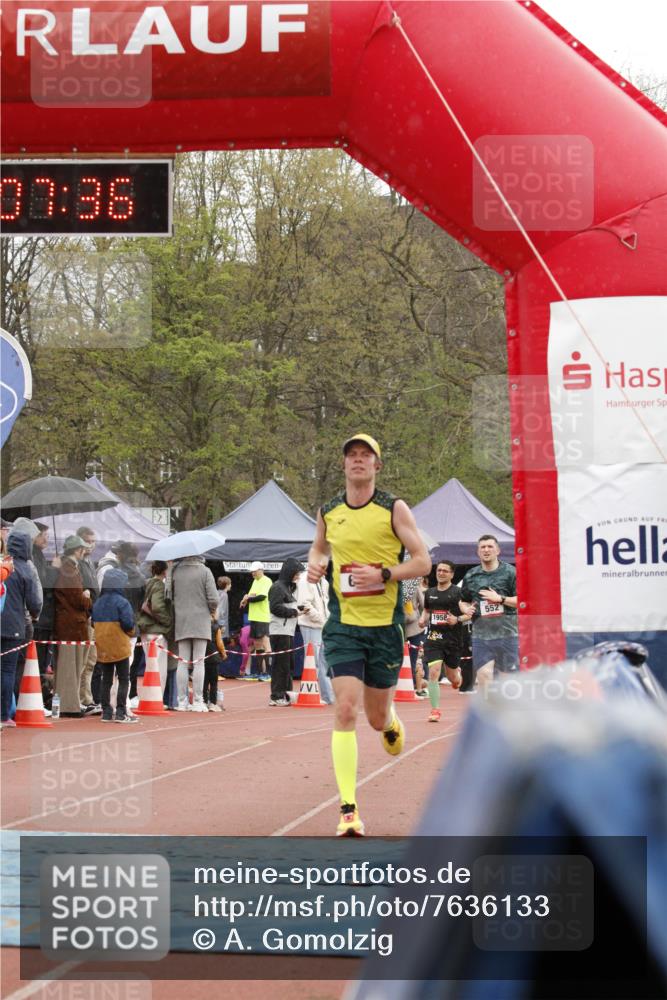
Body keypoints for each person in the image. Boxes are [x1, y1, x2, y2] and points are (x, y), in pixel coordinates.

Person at [307, 433, 431, 836]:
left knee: (376, 720)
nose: (358, 460)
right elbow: (319, 548)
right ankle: (349, 810)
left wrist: (385, 574)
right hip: (344, 626)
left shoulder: (393, 508)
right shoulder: (329, 511)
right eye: (352, 455)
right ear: (343, 464)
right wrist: (316, 564)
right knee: (345, 708)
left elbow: (423, 562)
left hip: (385, 628)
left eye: (366, 455)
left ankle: (390, 718)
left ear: (377, 465)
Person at [459, 535, 519, 687]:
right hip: (481, 635)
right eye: (483, 547)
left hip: (507, 633)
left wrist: (500, 599)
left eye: (490, 546)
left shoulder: (511, 572)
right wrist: (466, 609)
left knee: (508, 680)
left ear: (498, 550)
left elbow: (523, 601)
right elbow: (463, 600)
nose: (486, 550)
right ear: (478, 552)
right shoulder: (471, 575)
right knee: (484, 675)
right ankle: (487, 703)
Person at [419, 560, 470, 721]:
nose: (441, 573)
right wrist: (422, 619)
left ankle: (457, 675)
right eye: (439, 570)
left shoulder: (458, 593)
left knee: (454, 679)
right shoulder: (430, 592)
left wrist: (457, 619)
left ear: (452, 574)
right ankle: (435, 710)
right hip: (434, 638)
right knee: (434, 672)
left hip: (453, 640)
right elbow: (427, 610)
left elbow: (469, 614)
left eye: (445, 571)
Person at [0, 531, 42, 728]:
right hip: (14, 626)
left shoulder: (3, 564)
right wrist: (35, 615)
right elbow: (34, 601)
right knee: (7, 670)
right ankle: (3, 715)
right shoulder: (25, 569)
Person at [170, 554, 218, 711]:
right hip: (201, 620)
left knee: (182, 662)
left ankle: (182, 701)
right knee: (199, 662)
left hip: (181, 620)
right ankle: (198, 700)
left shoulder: (175, 571)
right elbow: (214, 599)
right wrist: (211, 610)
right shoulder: (205, 571)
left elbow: (168, 596)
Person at [92, 568, 138, 723]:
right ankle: (120, 712)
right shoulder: (122, 602)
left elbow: (92, 622)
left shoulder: (98, 602)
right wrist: (131, 632)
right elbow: (128, 623)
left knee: (106, 679)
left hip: (103, 646)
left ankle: (106, 712)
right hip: (120, 645)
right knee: (124, 678)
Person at [53, 536, 92, 717]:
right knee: (70, 668)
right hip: (71, 626)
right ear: (77, 550)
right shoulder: (69, 570)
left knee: (71, 668)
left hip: (71, 625)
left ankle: (70, 704)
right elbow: (77, 599)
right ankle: (69, 706)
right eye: (83, 548)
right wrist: (87, 597)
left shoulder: (68, 568)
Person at [268, 558, 304, 706]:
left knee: (288, 665)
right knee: (280, 665)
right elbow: (275, 608)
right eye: (297, 573)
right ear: (290, 572)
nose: (298, 576)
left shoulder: (289, 587)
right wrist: (294, 612)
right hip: (279, 631)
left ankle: (286, 694)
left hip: (288, 631)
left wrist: (299, 610)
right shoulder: (277, 587)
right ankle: (276, 696)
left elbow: (287, 607)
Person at [297, 573, 335, 705]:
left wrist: (327, 620)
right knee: (313, 662)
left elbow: (327, 602)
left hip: (323, 625)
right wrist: (319, 618)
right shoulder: (305, 580)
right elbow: (303, 604)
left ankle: (328, 696)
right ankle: (311, 695)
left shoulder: (324, 581)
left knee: (324, 661)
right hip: (310, 625)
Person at [136, 561, 172, 696]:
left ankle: (148, 696)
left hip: (145, 628)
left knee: (150, 665)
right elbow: (157, 607)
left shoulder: (147, 583)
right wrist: (167, 621)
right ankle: (156, 697)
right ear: (164, 571)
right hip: (156, 630)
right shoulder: (159, 585)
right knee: (159, 667)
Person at [76, 526, 100, 712]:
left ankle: (87, 698)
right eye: (87, 541)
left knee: (91, 660)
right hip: (84, 616)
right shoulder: (77, 564)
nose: (91, 545)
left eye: (93, 541)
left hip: (92, 616)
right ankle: (81, 698)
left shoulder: (90, 562)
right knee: (83, 661)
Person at [240, 561, 272, 680]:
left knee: (266, 645)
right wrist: (245, 599)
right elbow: (251, 595)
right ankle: (259, 672)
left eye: (255, 571)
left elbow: (262, 597)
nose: (253, 573)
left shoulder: (267, 580)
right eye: (252, 571)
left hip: (262, 617)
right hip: (253, 617)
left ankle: (267, 673)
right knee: (257, 645)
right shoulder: (255, 581)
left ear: (261, 570)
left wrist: (248, 599)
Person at [216, 576, 232, 642]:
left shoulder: (217, 592)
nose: (231, 585)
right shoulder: (224, 595)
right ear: (226, 585)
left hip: (215, 623)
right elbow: (221, 610)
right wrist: (222, 625)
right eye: (230, 584)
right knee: (220, 642)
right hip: (220, 624)